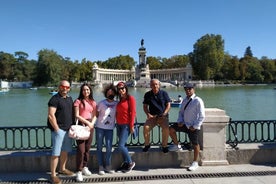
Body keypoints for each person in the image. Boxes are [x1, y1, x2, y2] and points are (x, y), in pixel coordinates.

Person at [168, 83, 205, 171]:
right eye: (186, 89)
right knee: (171, 129)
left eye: (189, 89)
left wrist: (195, 126)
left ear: (193, 89)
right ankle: (177, 145)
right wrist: (180, 121)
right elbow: (181, 112)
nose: (188, 90)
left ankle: (195, 162)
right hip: (184, 124)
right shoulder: (184, 100)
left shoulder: (198, 100)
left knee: (195, 144)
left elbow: (202, 115)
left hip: (193, 126)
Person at [47, 80, 74, 184]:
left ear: (69, 89)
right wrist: (57, 129)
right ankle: (53, 175)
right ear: (59, 87)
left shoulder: (70, 99)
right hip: (58, 130)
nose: (65, 89)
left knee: (65, 151)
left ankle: (62, 169)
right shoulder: (54, 99)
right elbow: (51, 115)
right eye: (63, 86)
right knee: (55, 153)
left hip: (68, 130)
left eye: (67, 87)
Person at [73, 83, 97, 182]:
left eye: (87, 89)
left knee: (87, 149)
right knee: (80, 150)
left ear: (90, 91)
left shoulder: (93, 102)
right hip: (81, 126)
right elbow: (77, 115)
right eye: (84, 90)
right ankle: (78, 171)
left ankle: (84, 167)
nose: (86, 91)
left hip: (90, 127)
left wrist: (91, 124)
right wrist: (88, 123)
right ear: (81, 91)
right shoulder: (78, 101)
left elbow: (95, 115)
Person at [142, 79, 171, 153]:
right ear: (150, 86)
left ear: (159, 85)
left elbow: (168, 105)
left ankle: (164, 145)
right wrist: (148, 114)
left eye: (156, 84)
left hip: (163, 116)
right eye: (152, 84)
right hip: (152, 117)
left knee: (166, 129)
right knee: (146, 127)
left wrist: (165, 113)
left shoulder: (164, 93)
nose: (154, 86)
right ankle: (147, 144)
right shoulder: (147, 94)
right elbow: (145, 106)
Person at [95, 84, 117, 175]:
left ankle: (108, 165)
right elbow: (96, 114)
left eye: (112, 92)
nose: (110, 94)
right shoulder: (101, 103)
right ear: (106, 94)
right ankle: (100, 166)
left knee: (109, 147)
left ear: (114, 94)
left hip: (110, 128)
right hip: (100, 127)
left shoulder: (117, 103)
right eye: (108, 93)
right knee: (99, 147)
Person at [115, 81, 136, 173]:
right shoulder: (120, 100)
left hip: (126, 125)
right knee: (122, 145)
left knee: (120, 145)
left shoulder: (130, 98)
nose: (121, 90)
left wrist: (131, 126)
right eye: (119, 89)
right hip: (119, 125)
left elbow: (133, 113)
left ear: (126, 89)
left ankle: (130, 162)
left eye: (123, 88)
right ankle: (126, 163)